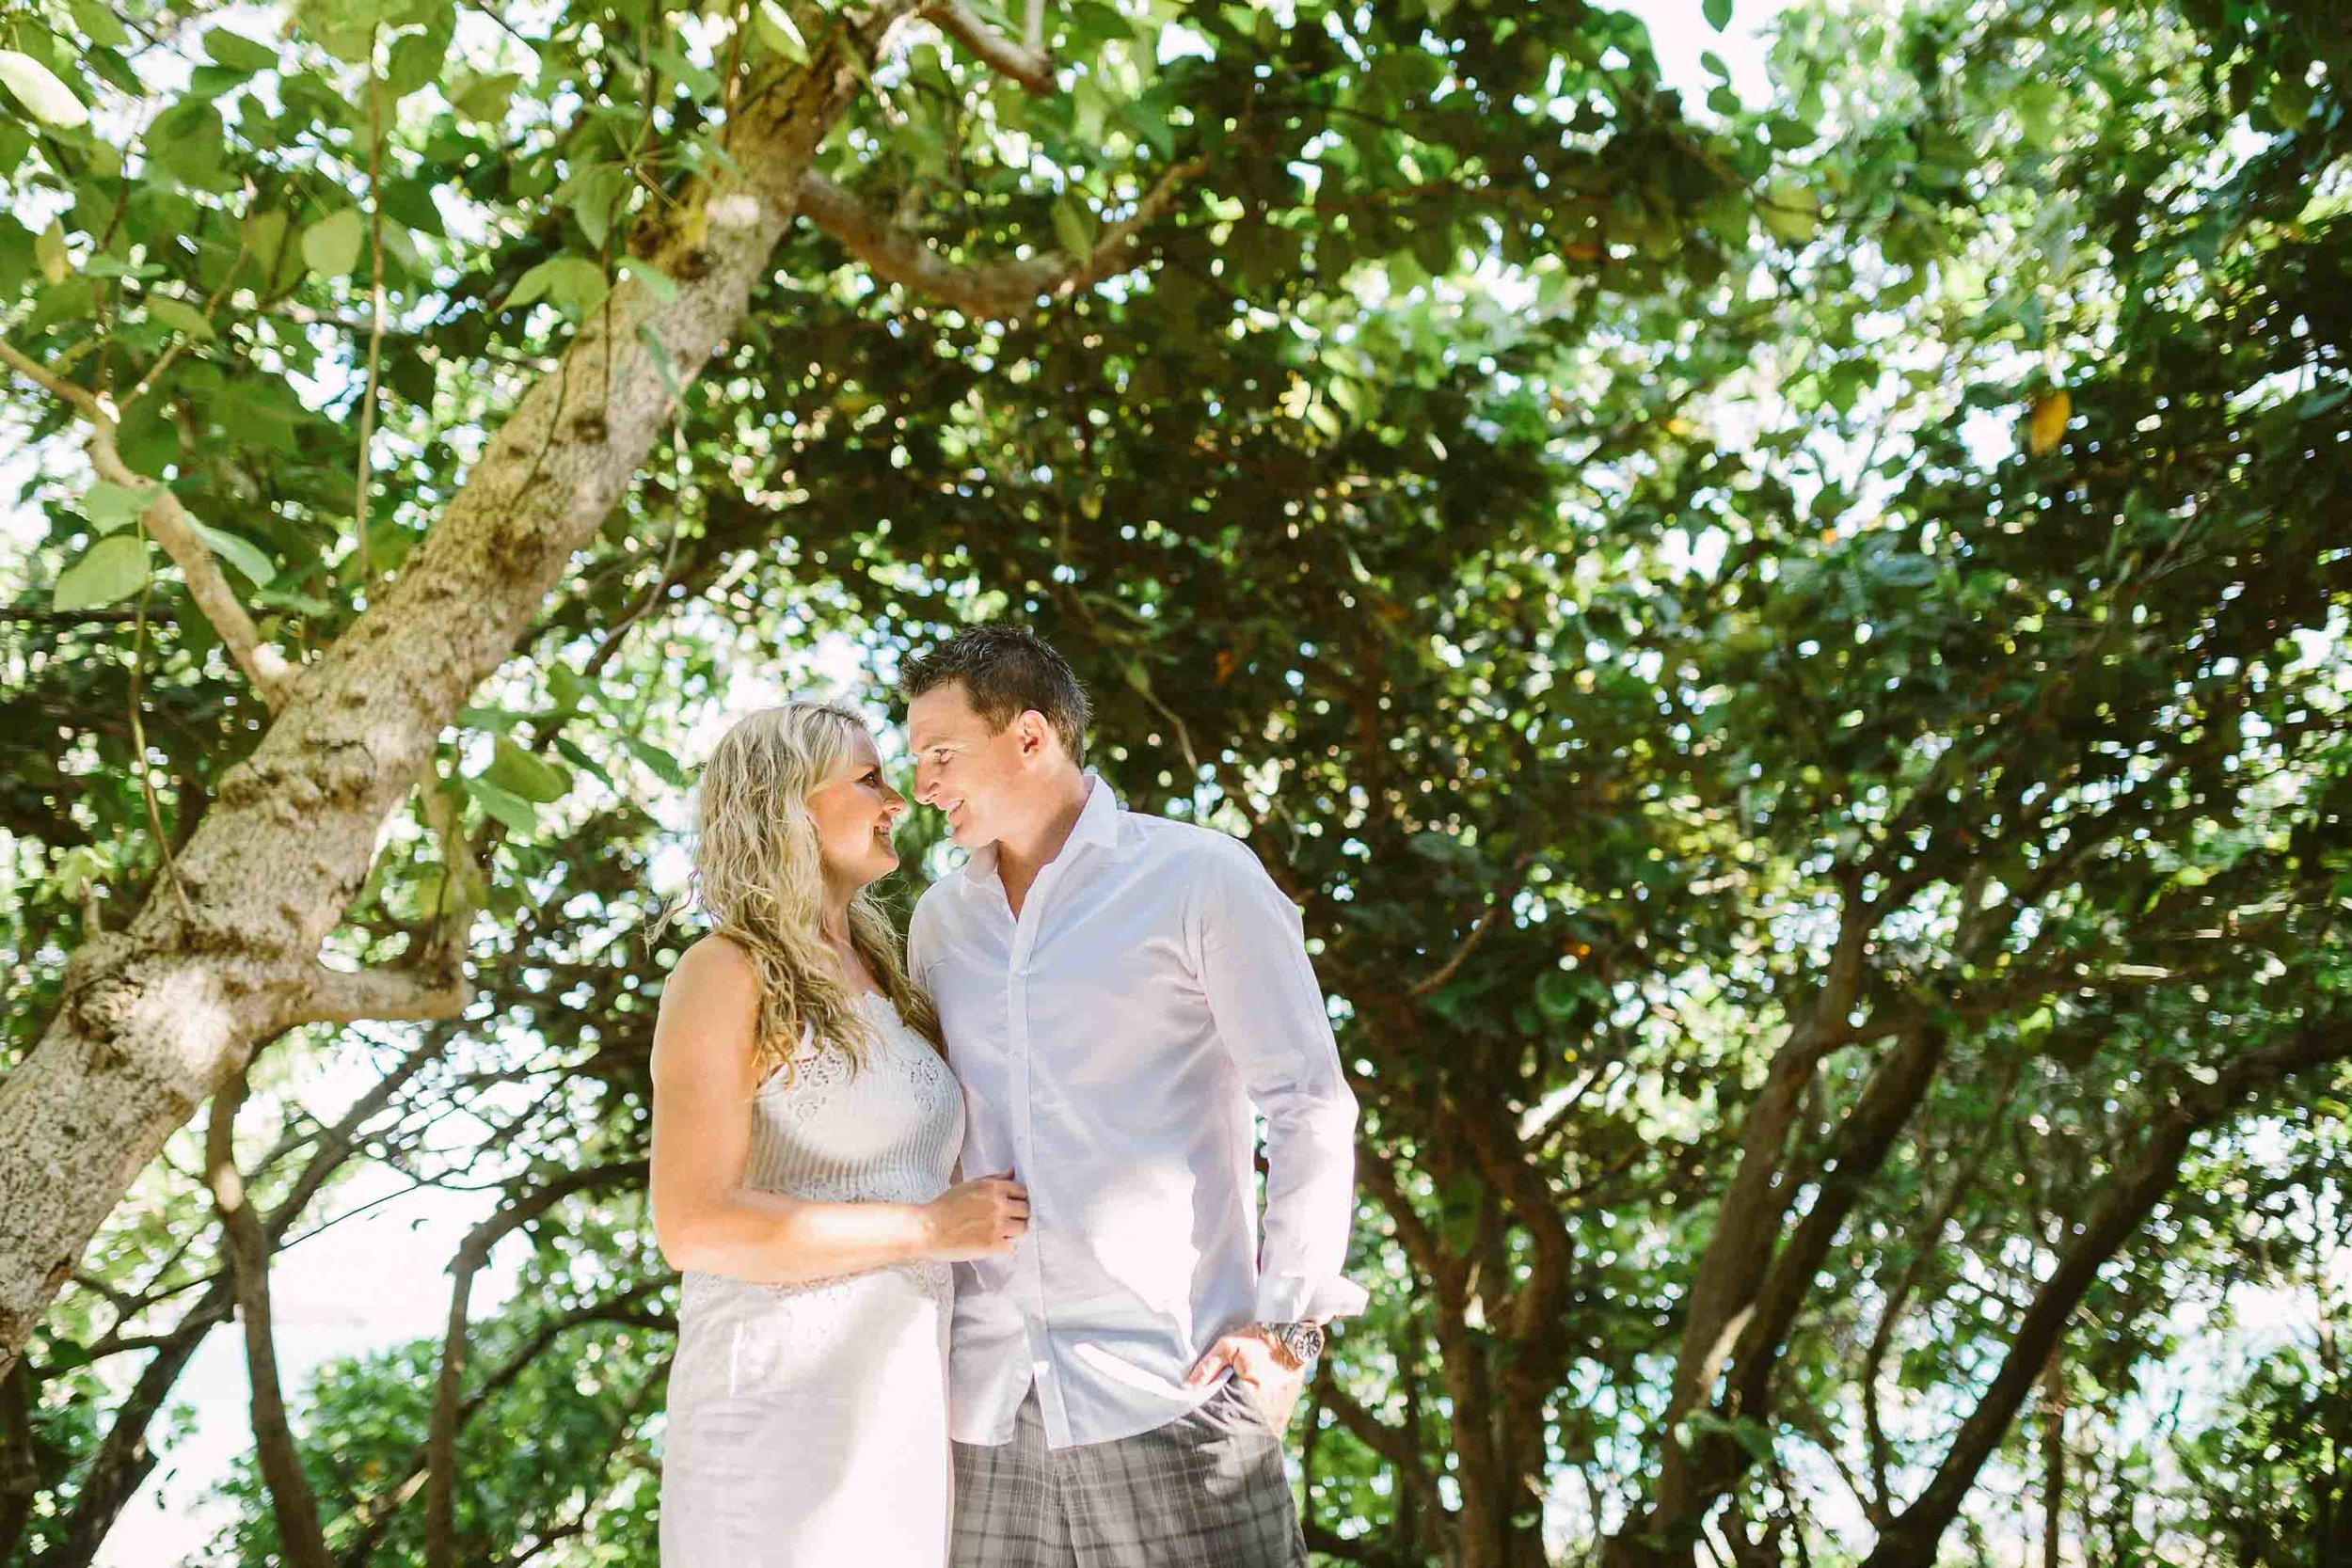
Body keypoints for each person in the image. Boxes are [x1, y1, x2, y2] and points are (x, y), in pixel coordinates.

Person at [903, 627, 1366, 1568]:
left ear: (1032, 738)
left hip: (1176, 1393)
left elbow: (1309, 1099)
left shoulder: (1200, 876)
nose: (922, 786)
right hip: (983, 1414)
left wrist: (1285, 1327)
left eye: (940, 755)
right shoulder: (938, 924)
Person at [650, 702, 1029, 1566]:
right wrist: (930, 1228)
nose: (898, 799)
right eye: (868, 779)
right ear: (788, 803)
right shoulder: (724, 970)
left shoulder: (890, 976)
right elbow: (694, 1224)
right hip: (776, 1411)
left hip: (897, 1409)